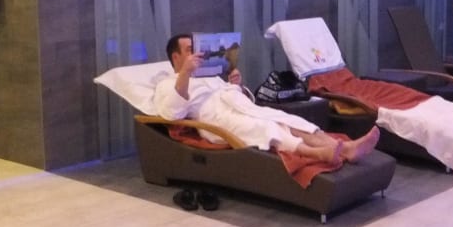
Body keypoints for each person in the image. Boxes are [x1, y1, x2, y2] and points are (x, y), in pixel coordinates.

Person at [155, 33, 379, 166]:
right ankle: (318, 153)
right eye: (189, 50)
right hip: (217, 121)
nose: (196, 55)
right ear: (176, 57)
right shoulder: (167, 84)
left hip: (245, 109)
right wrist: (185, 74)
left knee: (289, 120)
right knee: (267, 128)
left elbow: (241, 98)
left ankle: (346, 148)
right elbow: (172, 114)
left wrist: (236, 85)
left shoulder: (211, 76)